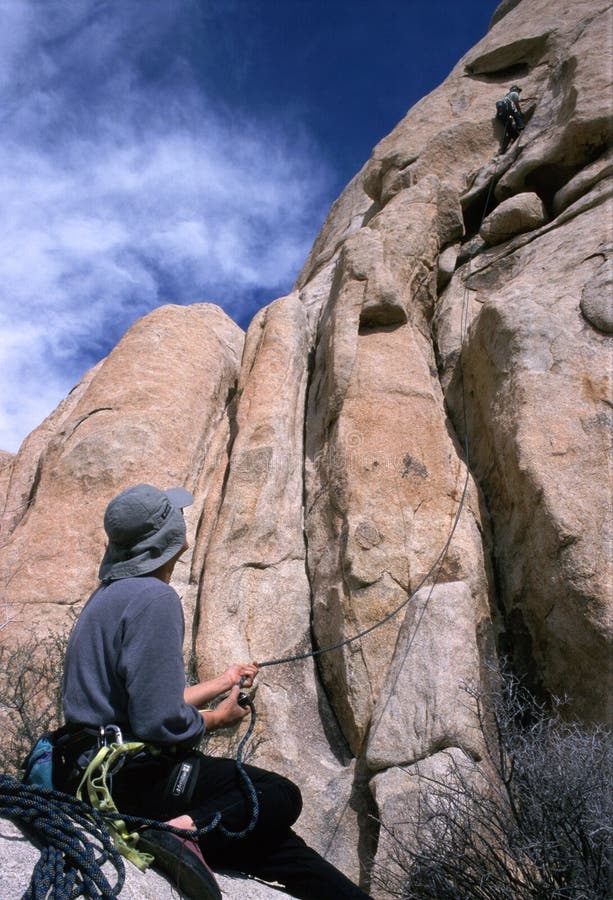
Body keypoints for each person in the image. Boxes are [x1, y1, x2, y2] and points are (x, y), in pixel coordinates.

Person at [55, 483, 371, 900]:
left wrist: (223, 682)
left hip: (90, 771)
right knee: (276, 794)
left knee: (280, 848)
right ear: (166, 537)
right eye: (176, 516)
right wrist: (218, 719)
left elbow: (140, 704)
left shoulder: (107, 597)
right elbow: (158, 721)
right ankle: (177, 832)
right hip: (131, 782)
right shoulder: (155, 598)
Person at [496, 84, 525, 152]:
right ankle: (521, 128)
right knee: (516, 113)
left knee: (509, 129)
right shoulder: (514, 93)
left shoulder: (506, 97)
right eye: (518, 91)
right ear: (516, 90)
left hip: (502, 114)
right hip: (509, 109)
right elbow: (516, 104)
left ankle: (503, 148)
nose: (519, 93)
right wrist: (520, 113)